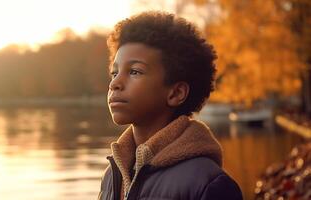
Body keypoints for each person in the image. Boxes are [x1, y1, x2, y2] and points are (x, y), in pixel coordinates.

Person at [98, 11, 243, 200]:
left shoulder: (208, 184)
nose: (114, 83)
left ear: (176, 93)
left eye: (134, 71)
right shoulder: (111, 176)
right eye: (114, 72)